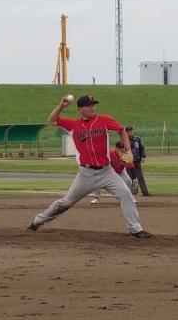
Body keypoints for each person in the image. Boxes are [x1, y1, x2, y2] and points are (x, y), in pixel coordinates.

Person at [28, 95, 153, 237]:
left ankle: (135, 229)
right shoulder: (73, 125)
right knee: (65, 203)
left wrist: (128, 150)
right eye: (88, 106)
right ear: (80, 109)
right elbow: (51, 120)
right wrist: (61, 106)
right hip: (86, 174)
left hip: (107, 172)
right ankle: (37, 222)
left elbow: (121, 130)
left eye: (93, 105)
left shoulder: (104, 120)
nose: (92, 108)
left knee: (126, 194)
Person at [125, 125, 150, 196]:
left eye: (131, 131)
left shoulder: (137, 139)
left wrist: (143, 156)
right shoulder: (125, 140)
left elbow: (142, 148)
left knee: (140, 177)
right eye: (129, 131)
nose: (131, 132)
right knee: (130, 178)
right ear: (126, 132)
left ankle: (145, 191)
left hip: (137, 160)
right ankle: (130, 192)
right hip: (129, 162)